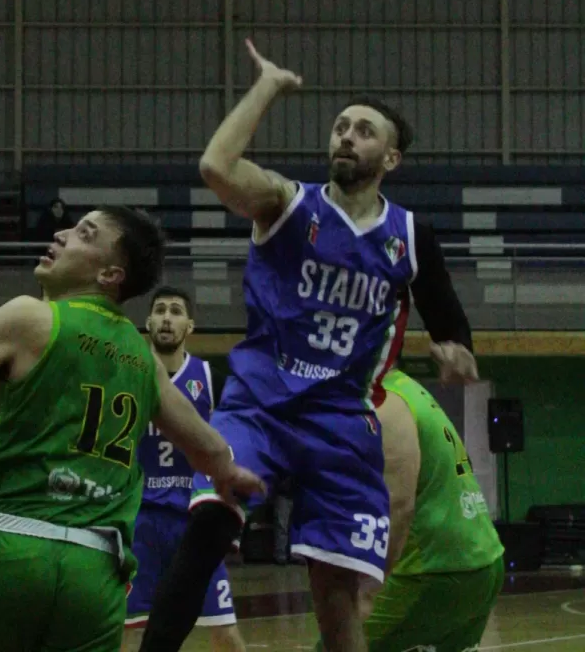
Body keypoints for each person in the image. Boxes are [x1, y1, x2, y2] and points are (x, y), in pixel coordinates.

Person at [138, 40, 480, 652]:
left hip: (343, 418)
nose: (347, 137)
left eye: (364, 131)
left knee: (338, 593)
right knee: (211, 523)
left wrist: (455, 350)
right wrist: (266, 86)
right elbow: (217, 166)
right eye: (340, 127)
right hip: (261, 403)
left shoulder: (409, 236)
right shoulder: (286, 202)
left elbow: (451, 322)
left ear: (391, 156)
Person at [0, 206, 266, 652]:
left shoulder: (29, 317)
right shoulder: (143, 358)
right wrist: (231, 476)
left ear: (110, 274)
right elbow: (212, 451)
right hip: (98, 567)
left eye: (83, 233)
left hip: (15, 545)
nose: (61, 234)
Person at [316, 368, 504, 652]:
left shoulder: (384, 404)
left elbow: (398, 505)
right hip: (482, 561)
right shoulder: (407, 387)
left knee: (339, 642)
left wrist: (368, 589)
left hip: (434, 569)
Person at [124, 286, 246, 652]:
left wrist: (230, 520)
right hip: (139, 522)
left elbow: (235, 448)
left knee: (226, 634)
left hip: (193, 523)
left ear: (189, 326)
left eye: (175, 311)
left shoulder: (211, 379)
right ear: (147, 322)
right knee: (128, 631)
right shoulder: (130, 374)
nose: (166, 317)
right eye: (159, 310)